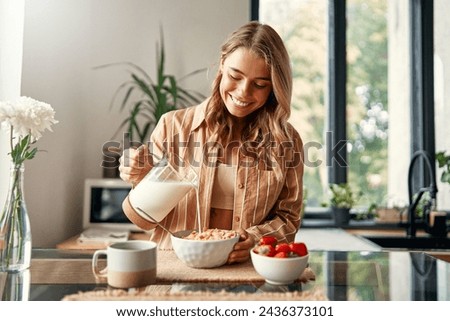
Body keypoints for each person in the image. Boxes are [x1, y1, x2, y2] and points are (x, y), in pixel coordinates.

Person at [119, 21, 304, 264]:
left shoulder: (286, 141)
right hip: (174, 268)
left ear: (275, 88)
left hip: (244, 273)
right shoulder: (172, 126)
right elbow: (142, 220)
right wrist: (142, 178)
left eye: (260, 84)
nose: (243, 92)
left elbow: (289, 218)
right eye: (234, 76)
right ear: (222, 65)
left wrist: (255, 238)